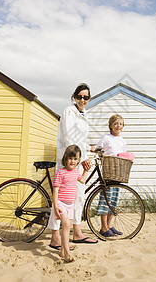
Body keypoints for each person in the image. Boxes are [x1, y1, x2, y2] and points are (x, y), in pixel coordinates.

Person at [48, 83, 98, 249]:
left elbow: (80, 139)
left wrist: (90, 148)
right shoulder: (69, 111)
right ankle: (55, 237)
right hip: (68, 161)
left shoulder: (85, 114)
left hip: (78, 159)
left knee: (78, 198)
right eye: (79, 96)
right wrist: (82, 158)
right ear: (74, 97)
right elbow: (69, 138)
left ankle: (77, 233)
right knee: (60, 199)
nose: (82, 100)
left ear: (89, 99)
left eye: (86, 97)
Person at [94, 114, 134, 237]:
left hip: (118, 172)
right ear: (111, 125)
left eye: (121, 124)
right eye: (116, 123)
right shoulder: (106, 137)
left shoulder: (122, 140)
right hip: (108, 171)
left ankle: (110, 225)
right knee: (105, 200)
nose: (118, 126)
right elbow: (98, 150)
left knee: (113, 200)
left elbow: (122, 154)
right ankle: (103, 228)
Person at [51, 145, 88, 262]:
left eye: (75, 159)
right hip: (61, 203)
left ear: (78, 160)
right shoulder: (60, 172)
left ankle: (62, 251)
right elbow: (55, 190)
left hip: (70, 205)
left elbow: (83, 180)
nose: (72, 161)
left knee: (67, 228)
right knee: (66, 224)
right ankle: (67, 253)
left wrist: (86, 170)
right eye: (70, 158)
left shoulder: (76, 172)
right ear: (65, 158)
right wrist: (56, 206)